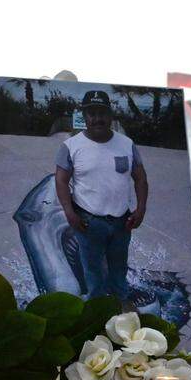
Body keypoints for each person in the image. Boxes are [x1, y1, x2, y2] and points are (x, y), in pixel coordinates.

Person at [54, 90, 148, 302]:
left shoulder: (126, 144)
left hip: (122, 223)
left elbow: (141, 179)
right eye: (92, 113)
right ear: (84, 116)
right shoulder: (70, 147)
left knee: (119, 271)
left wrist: (141, 209)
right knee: (93, 274)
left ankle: (120, 314)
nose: (97, 118)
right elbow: (60, 180)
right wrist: (69, 213)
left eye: (102, 113)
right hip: (88, 223)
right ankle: (97, 317)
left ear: (110, 115)